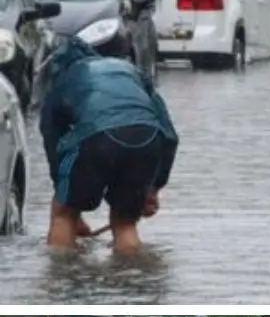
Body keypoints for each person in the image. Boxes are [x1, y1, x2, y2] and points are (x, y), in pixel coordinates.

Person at [40, 38, 178, 255]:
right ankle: (130, 279)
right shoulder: (129, 70)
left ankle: (62, 279)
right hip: (147, 137)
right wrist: (153, 187)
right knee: (125, 223)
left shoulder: (62, 82)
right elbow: (169, 135)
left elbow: (53, 143)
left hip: (97, 136)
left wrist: (68, 199)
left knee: (63, 215)